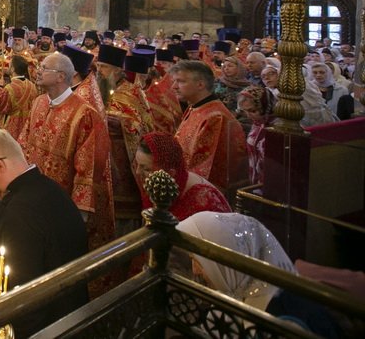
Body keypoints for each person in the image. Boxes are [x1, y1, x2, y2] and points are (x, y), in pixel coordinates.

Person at [0, 128, 89, 337]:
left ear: (0, 165)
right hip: (76, 313)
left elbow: (23, 295)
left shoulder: (18, 213)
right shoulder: (52, 188)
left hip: (50, 327)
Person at [177, 212, 341, 338]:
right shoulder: (241, 292)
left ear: (222, 262)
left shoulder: (283, 320)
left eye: (198, 261)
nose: (195, 270)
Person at [22, 52, 115, 253]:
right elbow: (24, 141)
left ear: (61, 77)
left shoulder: (84, 114)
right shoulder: (38, 102)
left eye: (45, 68)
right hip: (33, 196)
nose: (38, 72)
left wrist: (77, 216)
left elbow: (88, 168)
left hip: (61, 204)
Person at [97, 46, 154, 233]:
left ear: (117, 70)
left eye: (104, 67)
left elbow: (138, 126)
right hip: (109, 161)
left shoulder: (128, 93)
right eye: (98, 66)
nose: (99, 72)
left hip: (124, 169)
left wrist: (113, 121)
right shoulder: (107, 91)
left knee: (122, 222)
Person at [172, 60, 249, 195]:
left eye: (181, 81)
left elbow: (203, 169)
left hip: (207, 194)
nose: (174, 86)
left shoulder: (215, 117)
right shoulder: (195, 107)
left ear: (200, 84)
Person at [133, 132, 230, 221]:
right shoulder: (156, 185)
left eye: (146, 169)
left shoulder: (203, 201)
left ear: (170, 173)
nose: (137, 172)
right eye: (137, 165)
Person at [0, 55, 38, 138]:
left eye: (9, 65)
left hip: (12, 127)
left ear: (12, 69)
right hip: (27, 127)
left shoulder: (10, 88)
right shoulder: (32, 86)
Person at [239, 86, 275, 184]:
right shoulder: (257, 123)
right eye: (244, 111)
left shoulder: (275, 128)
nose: (248, 115)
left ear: (264, 106)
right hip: (254, 181)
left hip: (268, 183)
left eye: (253, 111)